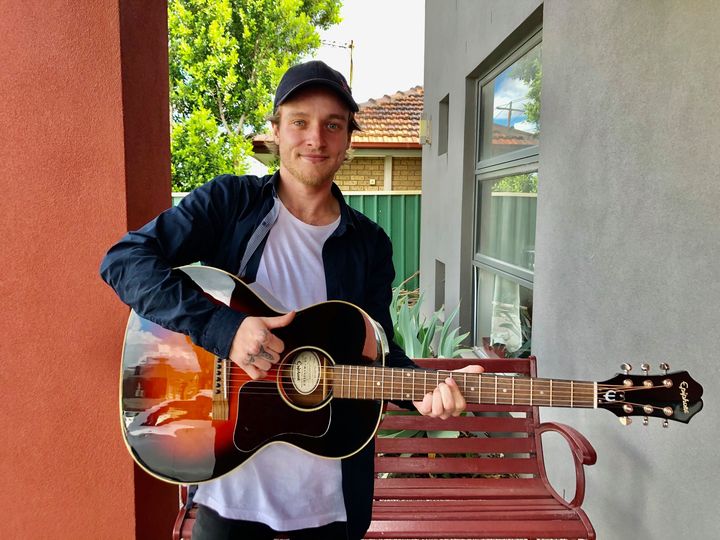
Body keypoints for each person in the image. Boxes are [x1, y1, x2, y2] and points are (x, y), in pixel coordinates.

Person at [101, 60, 481, 540]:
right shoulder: (229, 205)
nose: (315, 138)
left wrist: (428, 389)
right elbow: (124, 260)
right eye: (300, 121)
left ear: (347, 141)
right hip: (230, 483)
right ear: (276, 131)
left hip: (327, 496)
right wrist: (225, 330)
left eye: (333, 125)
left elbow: (377, 351)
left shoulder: (370, 244)